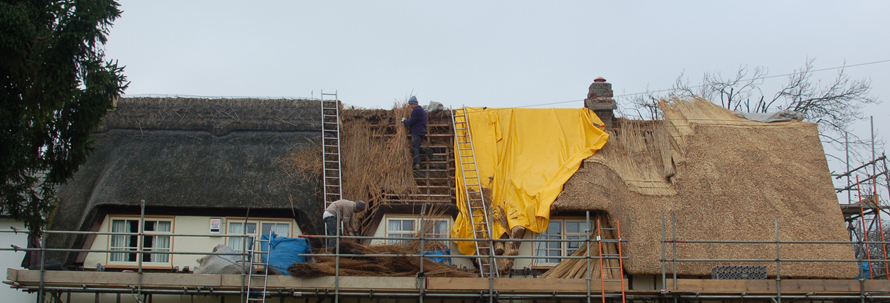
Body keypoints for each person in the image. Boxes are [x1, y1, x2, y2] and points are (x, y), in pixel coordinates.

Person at [401, 96, 430, 169]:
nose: (410, 106)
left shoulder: (417, 110)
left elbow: (411, 122)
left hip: (417, 131)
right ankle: (424, 150)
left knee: (415, 147)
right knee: (416, 147)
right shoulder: (421, 110)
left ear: (415, 103)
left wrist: (404, 121)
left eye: (411, 104)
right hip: (421, 131)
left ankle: (417, 164)